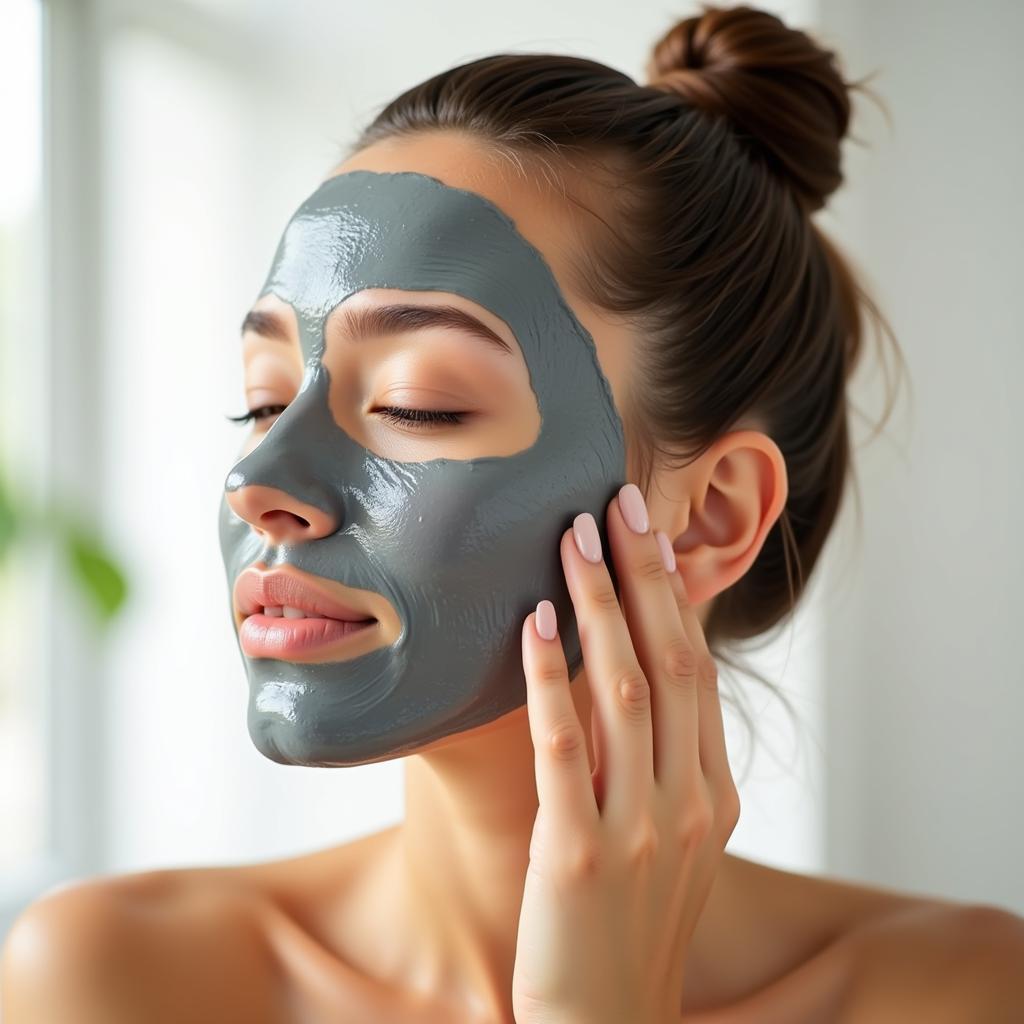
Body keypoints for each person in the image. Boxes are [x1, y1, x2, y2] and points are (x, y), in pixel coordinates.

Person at [4, 4, 1023, 1022]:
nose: (261, 479)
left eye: (417, 404)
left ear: (711, 515)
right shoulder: (114, 978)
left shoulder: (961, 994)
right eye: (264, 401)